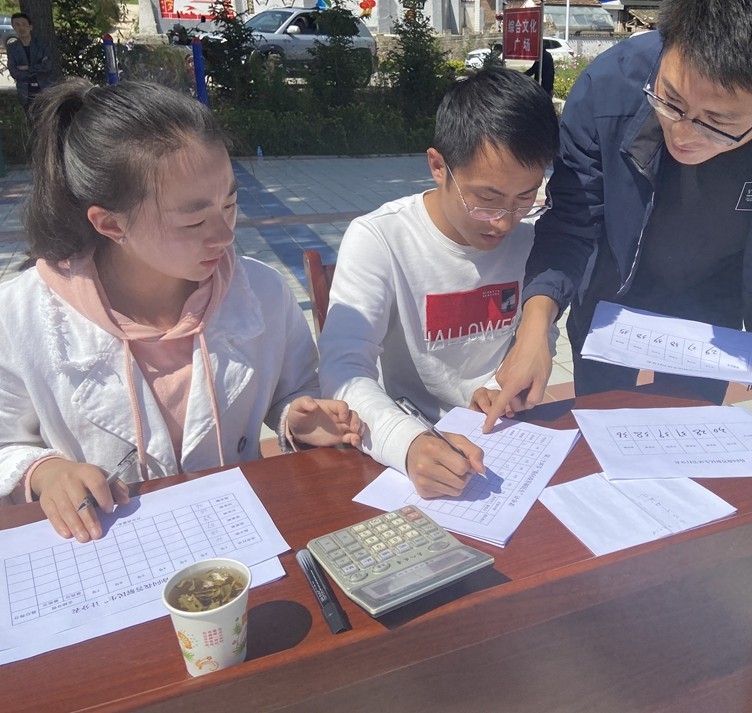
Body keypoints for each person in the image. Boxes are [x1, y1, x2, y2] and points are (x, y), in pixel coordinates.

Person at [482, 0, 752, 429]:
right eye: (670, 100)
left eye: (717, 121)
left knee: (688, 427)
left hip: (717, 300)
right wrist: (534, 329)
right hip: (611, 295)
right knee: (600, 421)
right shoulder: (610, 85)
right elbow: (571, 219)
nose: (683, 134)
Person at [0, 79, 362, 542]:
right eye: (193, 221)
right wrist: (47, 472)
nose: (224, 235)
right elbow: (7, 442)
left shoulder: (262, 293)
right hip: (107, 550)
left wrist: (298, 417)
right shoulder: (23, 316)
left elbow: (293, 389)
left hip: (239, 537)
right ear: (110, 223)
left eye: (230, 203)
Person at [317, 67, 559, 498]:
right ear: (438, 166)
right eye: (486, 199)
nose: (504, 222)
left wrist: (508, 386)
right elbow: (342, 367)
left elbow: (538, 335)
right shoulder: (381, 239)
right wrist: (406, 441)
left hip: (503, 439)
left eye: (525, 198)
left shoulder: (532, 240)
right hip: (409, 446)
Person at [6, 12, 52, 117]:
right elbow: (14, 71)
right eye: (17, 25)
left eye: (24, 24)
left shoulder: (42, 45)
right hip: (25, 90)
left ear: (30, 27)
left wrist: (28, 68)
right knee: (31, 119)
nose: (21, 28)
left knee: (46, 118)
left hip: (43, 88)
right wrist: (36, 69)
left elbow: (47, 67)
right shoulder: (12, 48)